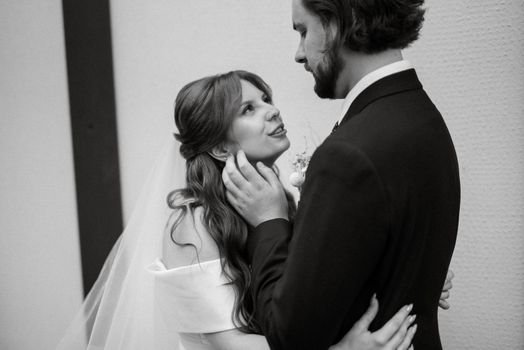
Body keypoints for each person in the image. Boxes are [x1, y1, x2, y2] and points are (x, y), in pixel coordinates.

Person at [57, 70, 431, 350]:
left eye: (267, 99)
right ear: (221, 149)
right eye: (250, 109)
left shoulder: (275, 200)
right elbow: (228, 344)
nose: (272, 110)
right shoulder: (194, 222)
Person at [222, 1, 460, 350]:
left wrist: (268, 220)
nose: (299, 54)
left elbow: (289, 335)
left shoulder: (348, 154)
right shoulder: (424, 116)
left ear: (335, 24)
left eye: (303, 31)